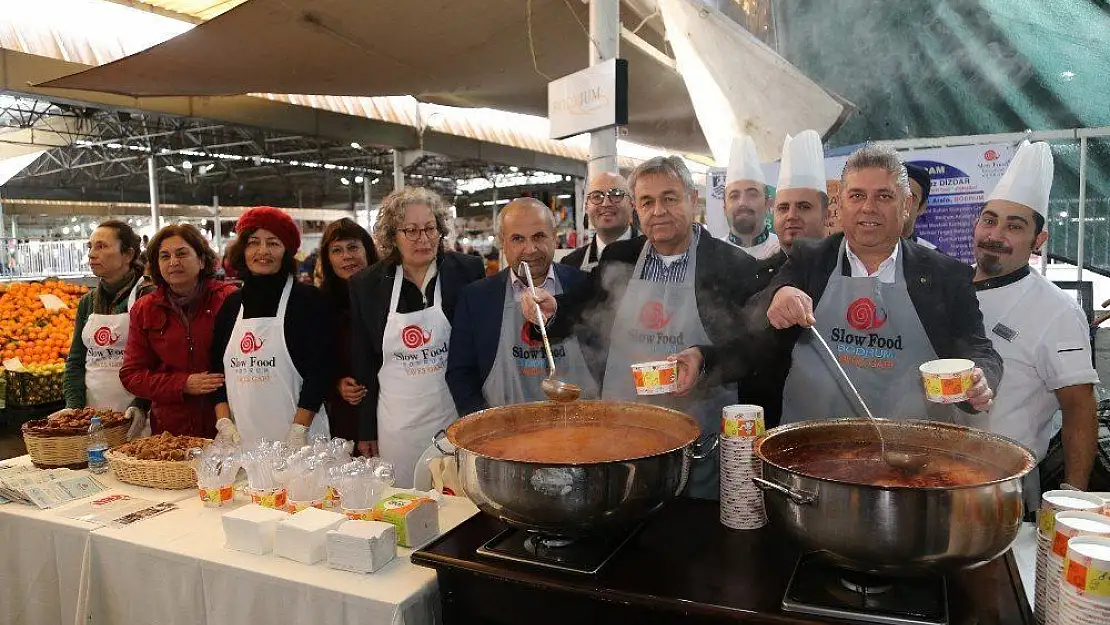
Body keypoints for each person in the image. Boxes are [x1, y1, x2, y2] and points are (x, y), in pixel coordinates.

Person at [682, 144, 1001, 424]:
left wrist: (979, 380)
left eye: (884, 196)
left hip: (907, 453)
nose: (868, 207)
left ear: (906, 206)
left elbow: (979, 350)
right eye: (857, 195)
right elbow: (756, 338)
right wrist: (705, 358)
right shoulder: (811, 260)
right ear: (840, 204)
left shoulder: (946, 275)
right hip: (814, 449)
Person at [522, 158, 774, 499]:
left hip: (700, 441)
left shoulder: (733, 265)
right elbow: (583, 311)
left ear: (693, 199)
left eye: (669, 198)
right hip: (624, 436)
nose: (658, 211)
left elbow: (757, 347)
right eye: (647, 202)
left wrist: (707, 360)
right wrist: (550, 312)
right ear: (636, 209)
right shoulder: (619, 257)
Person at [967, 141, 1098, 501]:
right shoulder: (947, 290)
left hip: (1004, 486)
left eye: (1014, 226)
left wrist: (1073, 497)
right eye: (989, 221)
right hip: (934, 473)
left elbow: (1079, 407)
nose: (995, 236)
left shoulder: (1056, 311)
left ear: (1038, 240)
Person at [349, 187, 485, 487]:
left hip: (456, 416)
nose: (422, 239)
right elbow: (365, 362)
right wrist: (366, 429)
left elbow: (481, 350)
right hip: (398, 425)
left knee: (460, 499)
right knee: (405, 502)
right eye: (410, 230)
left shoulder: (468, 271)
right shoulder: (367, 285)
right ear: (392, 237)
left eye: (429, 228)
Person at [447, 199, 597, 415]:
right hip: (504, 434)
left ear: (554, 237)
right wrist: (484, 424)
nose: (530, 249)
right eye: (517, 239)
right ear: (502, 243)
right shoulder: (476, 297)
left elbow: (606, 360)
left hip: (582, 425)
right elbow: (461, 374)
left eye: (539, 236)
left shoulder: (584, 285)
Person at [210, 207, 333, 449]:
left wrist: (299, 430)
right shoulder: (232, 304)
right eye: (253, 242)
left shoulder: (308, 300)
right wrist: (223, 421)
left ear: (286, 251)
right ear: (242, 250)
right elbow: (215, 370)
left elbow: (321, 372)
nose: (262, 251)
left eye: (273, 243)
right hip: (242, 439)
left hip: (300, 440)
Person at [736, 130, 829, 427]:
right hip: (767, 420)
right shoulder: (754, 272)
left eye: (804, 207)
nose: (791, 216)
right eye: (784, 207)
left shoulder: (841, 271)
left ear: (827, 214)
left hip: (826, 417)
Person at [120, 224, 237, 437]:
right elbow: (131, 374)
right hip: (171, 432)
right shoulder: (145, 308)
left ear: (201, 260)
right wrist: (182, 384)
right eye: (164, 256)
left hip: (229, 423)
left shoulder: (229, 299)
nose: (173, 262)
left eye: (182, 254)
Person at [64, 220, 151, 437]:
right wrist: (73, 408)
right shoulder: (87, 302)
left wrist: (142, 405)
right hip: (93, 419)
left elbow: (160, 362)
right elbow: (76, 360)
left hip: (138, 419)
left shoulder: (147, 297)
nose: (92, 254)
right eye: (90, 247)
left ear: (128, 254)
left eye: (101, 246)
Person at [317, 218, 380, 443]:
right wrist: (336, 384)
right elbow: (315, 361)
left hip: (391, 403)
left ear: (367, 250)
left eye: (353, 247)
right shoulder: (320, 303)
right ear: (328, 259)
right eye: (337, 250)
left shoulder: (389, 292)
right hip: (347, 412)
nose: (347, 256)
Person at [562, 172, 637, 272]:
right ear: (586, 207)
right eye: (597, 196)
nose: (606, 203)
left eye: (615, 194)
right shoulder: (570, 266)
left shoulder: (655, 255)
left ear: (632, 204)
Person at [721, 134, 780, 259]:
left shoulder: (782, 252)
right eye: (734, 196)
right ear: (724, 208)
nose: (742, 202)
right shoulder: (711, 256)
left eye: (752, 194)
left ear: (767, 204)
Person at [902, 163, 938, 249]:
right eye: (893, 195)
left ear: (921, 208)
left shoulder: (934, 258)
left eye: (910, 198)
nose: (900, 203)